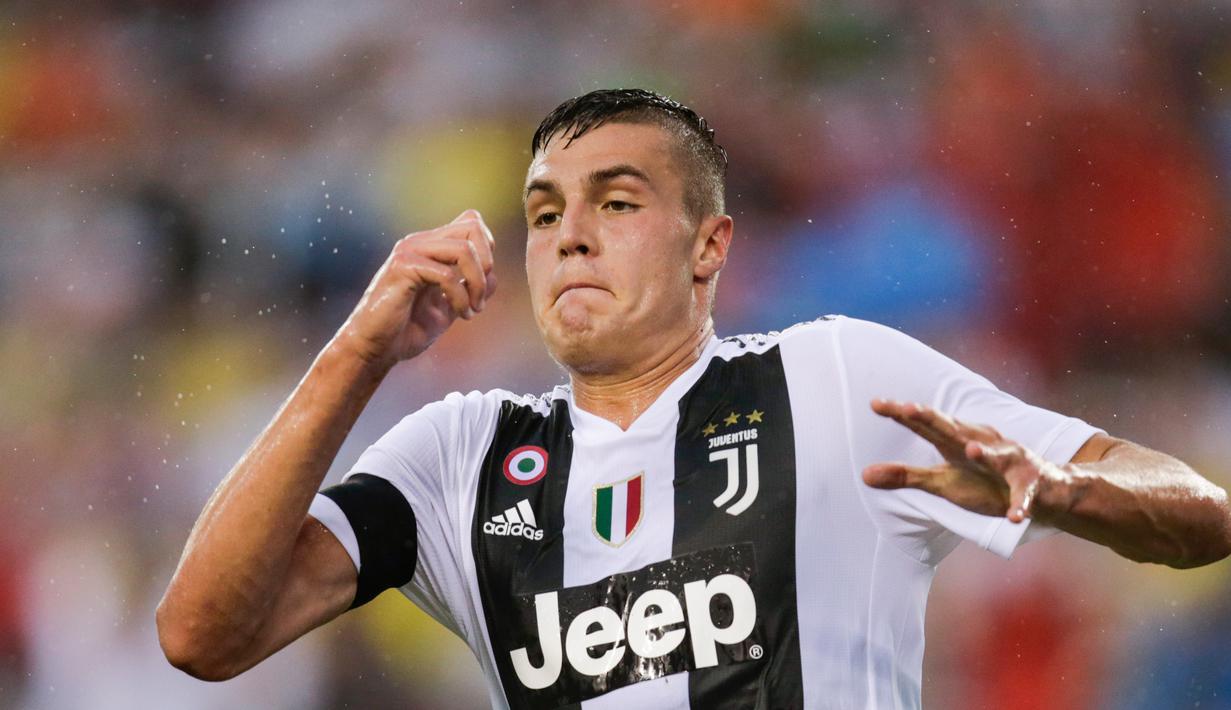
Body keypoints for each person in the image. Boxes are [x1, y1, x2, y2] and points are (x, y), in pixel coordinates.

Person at [156, 89, 1231, 709]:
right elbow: (203, 633)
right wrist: (358, 353)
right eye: (543, 213)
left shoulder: (838, 377)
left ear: (709, 245)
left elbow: (1202, 517)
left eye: (616, 202)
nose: (570, 235)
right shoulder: (458, 456)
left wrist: (1064, 491)